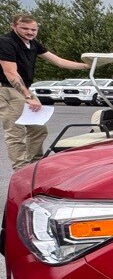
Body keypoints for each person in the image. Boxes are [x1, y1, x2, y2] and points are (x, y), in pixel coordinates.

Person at [0, 12, 90, 170]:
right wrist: (28, 96)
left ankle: (34, 165)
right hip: (8, 90)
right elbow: (11, 73)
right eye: (25, 28)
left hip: (24, 89)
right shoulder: (5, 42)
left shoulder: (33, 43)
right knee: (16, 133)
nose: (30, 32)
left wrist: (88, 66)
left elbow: (59, 61)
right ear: (13, 26)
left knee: (38, 129)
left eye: (33, 29)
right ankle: (21, 170)